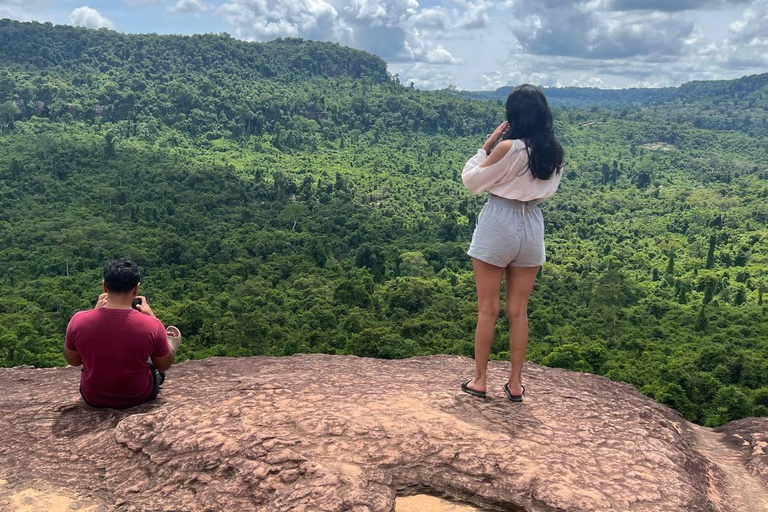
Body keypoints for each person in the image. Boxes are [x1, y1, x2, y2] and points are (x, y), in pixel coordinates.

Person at [460, 84, 564, 402]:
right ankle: (516, 385)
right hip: (531, 223)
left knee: (487, 310)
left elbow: (471, 181)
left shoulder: (509, 147)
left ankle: (480, 380)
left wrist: (485, 147)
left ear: (513, 116)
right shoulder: (554, 152)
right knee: (518, 312)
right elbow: (548, 191)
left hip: (499, 221)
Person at [64, 259, 182, 408]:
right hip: (138, 396)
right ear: (136, 289)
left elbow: (74, 361)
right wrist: (153, 318)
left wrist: (94, 312)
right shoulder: (152, 325)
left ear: (105, 286)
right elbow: (164, 364)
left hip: (92, 397)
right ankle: (168, 341)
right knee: (156, 360)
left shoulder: (78, 320)